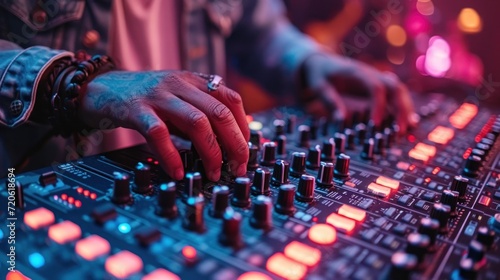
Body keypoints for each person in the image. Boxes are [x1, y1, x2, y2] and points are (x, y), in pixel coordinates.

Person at [0, 0, 416, 179]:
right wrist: (73, 84)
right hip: (28, 196)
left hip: (187, 175)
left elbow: (260, 31)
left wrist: (311, 63)